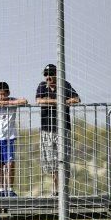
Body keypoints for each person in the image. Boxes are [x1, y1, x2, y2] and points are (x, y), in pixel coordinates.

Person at [35, 64, 80, 196]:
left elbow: (76, 99)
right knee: (52, 162)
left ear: (56, 74)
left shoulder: (64, 85)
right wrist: (60, 101)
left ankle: (64, 190)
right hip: (47, 130)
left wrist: (53, 101)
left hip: (63, 129)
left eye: (51, 73)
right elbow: (39, 100)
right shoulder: (42, 86)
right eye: (46, 74)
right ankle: (56, 190)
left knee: (64, 160)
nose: (48, 77)